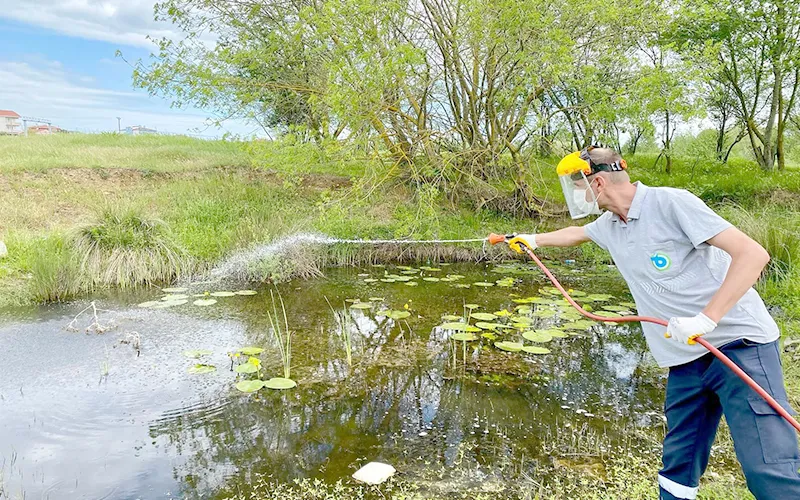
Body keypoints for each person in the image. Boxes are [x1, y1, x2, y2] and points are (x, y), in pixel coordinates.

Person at [508, 147, 800, 499]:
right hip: (685, 359)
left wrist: (707, 319)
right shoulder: (609, 225)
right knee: (678, 466)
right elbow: (576, 233)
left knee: (768, 468)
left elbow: (753, 254)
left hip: (739, 347)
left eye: (579, 186)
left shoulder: (671, 204)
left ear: (598, 182)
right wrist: (533, 240)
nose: (578, 195)